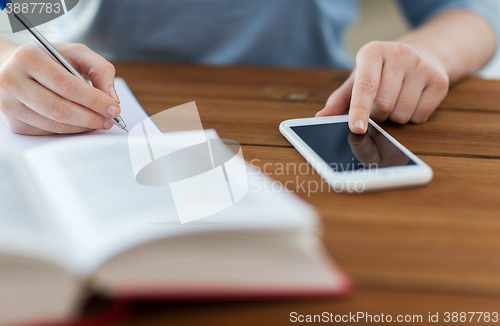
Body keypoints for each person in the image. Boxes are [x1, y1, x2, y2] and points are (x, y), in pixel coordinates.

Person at [0, 0, 498, 136]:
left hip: (312, 112)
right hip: (94, 102)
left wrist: (430, 53)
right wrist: (7, 60)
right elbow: (30, 11)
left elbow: (471, 10)